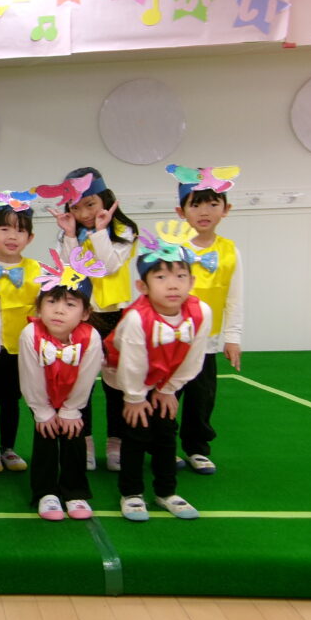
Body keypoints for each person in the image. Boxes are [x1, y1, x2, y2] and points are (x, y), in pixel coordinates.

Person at [102, 222, 211, 522]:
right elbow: (132, 363)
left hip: (165, 379)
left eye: (180, 276)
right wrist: (135, 398)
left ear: (192, 281)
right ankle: (131, 493)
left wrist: (168, 390)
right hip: (125, 378)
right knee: (135, 433)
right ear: (143, 287)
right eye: (161, 277)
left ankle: (166, 491)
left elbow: (194, 357)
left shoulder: (201, 312)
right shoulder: (137, 319)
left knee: (165, 432)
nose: (172, 285)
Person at [42, 167, 138, 472]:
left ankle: (116, 442)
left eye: (90, 204)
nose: (83, 213)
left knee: (117, 384)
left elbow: (108, 267)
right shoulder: (70, 231)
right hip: (82, 316)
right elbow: (72, 271)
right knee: (79, 382)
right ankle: (84, 441)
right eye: (76, 207)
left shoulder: (123, 231)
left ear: (105, 200)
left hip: (115, 315)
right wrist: (71, 236)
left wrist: (99, 231)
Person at [18, 249, 106, 520]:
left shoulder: (91, 337)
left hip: (74, 398)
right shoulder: (30, 333)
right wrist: (42, 411)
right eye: (52, 301)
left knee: (74, 435)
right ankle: (45, 491)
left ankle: (75, 490)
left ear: (85, 312)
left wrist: (71, 410)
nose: (59, 310)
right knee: (45, 435)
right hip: (42, 395)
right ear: (39, 306)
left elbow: (87, 378)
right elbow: (30, 377)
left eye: (70, 304)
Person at [170, 164, 243, 474]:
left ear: (226, 209)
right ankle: (164, 446)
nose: (204, 211)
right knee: (167, 396)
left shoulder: (229, 251)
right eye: (195, 204)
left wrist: (232, 337)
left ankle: (197, 448)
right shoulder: (172, 248)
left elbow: (234, 297)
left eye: (213, 204)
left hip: (208, 341)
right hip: (172, 338)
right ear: (181, 211)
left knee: (201, 397)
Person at [0, 202, 42, 475]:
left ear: (30, 238)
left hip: (18, 348)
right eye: (4, 229)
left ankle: (8, 448)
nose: (12, 236)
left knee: (11, 400)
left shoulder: (38, 270)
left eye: (20, 230)